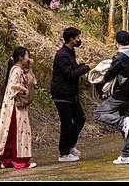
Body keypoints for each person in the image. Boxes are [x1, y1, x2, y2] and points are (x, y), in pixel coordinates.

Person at [93, 30, 129, 165]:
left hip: (120, 94)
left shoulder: (119, 56)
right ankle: (126, 155)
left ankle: (120, 122)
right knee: (127, 124)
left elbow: (109, 75)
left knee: (98, 113)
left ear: (116, 42)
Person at [51, 27, 95, 162]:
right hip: (61, 94)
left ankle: (70, 145)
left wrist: (83, 64)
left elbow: (73, 68)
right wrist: (87, 68)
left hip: (71, 94)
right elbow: (70, 74)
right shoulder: (62, 55)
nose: (79, 40)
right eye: (77, 38)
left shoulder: (70, 51)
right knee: (66, 124)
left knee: (80, 119)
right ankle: (63, 153)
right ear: (71, 39)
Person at [0, 46, 38, 169]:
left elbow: (31, 81)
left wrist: (31, 68)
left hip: (13, 104)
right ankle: (19, 161)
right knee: (17, 131)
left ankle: (6, 160)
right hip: (15, 106)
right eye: (27, 55)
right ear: (21, 57)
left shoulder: (20, 70)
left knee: (10, 131)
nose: (29, 58)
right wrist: (23, 90)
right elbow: (12, 85)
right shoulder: (16, 70)